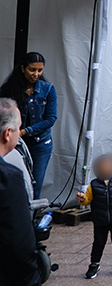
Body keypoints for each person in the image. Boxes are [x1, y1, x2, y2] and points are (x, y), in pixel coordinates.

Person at [0, 53, 56, 199]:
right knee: (15, 181)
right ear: (23, 68)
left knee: (35, 185)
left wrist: (25, 131)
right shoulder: (9, 89)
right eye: (32, 70)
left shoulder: (48, 89)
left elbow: (50, 119)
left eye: (40, 70)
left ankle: (32, 219)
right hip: (16, 143)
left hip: (41, 143)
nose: (36, 74)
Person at [0, 98, 40, 286]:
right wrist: (32, 285)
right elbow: (19, 242)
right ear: (8, 133)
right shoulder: (8, 178)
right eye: (18, 129)